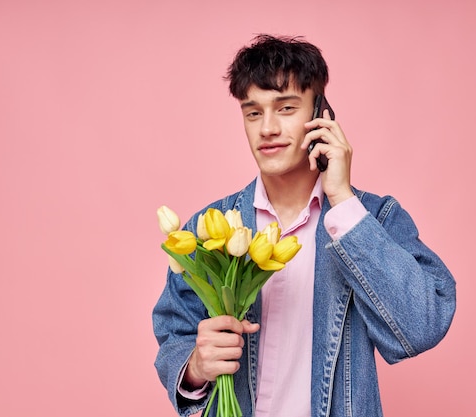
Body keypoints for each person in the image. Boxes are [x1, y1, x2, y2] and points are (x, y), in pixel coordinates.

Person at [153, 34, 456, 417]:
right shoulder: (210, 227)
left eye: (286, 108)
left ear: (321, 115)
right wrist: (194, 367)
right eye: (253, 112)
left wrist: (343, 201)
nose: (267, 128)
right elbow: (173, 334)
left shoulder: (373, 219)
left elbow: (422, 325)